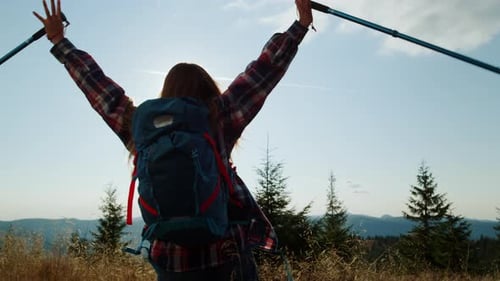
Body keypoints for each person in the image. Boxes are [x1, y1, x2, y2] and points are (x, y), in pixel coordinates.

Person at [34, 0, 313, 280]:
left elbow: (100, 90)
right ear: (208, 90)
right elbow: (262, 73)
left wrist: (60, 42)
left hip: (170, 262)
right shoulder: (218, 118)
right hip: (224, 257)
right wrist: (299, 25)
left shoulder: (141, 127)